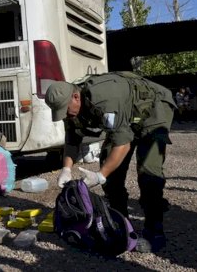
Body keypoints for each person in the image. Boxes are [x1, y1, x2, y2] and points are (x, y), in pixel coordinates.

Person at [45, 72, 175, 253]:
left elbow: (123, 144)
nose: (66, 115)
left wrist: (100, 175)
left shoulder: (104, 100)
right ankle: (121, 223)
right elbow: (72, 140)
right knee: (111, 171)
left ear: (76, 96)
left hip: (154, 109)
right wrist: (66, 169)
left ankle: (154, 229)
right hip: (127, 116)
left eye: (65, 110)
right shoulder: (71, 106)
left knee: (148, 171)